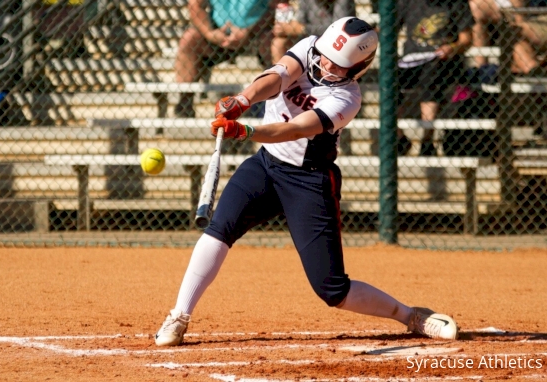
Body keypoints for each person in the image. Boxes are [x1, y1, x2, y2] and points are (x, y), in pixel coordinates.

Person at [154, 17, 459, 347]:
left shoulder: (348, 98)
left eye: (338, 64)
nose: (326, 64)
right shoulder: (310, 45)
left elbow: (297, 129)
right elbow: (277, 76)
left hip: (308, 180)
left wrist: (246, 131)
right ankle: (179, 317)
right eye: (326, 55)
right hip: (266, 166)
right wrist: (243, 100)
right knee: (219, 228)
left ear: (358, 68)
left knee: (332, 290)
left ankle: (410, 315)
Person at [396, 0, 474, 156]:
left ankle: (427, 138)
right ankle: (399, 137)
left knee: (432, 71)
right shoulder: (407, 2)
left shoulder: (457, 3)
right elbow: (388, 29)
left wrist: (451, 47)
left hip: (445, 62)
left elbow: (467, 39)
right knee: (390, 75)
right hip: (413, 59)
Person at [174, 0, 276, 118]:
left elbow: (277, 7)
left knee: (274, 42)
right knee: (190, 38)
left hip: (257, 33)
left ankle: (276, 99)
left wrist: (249, 32)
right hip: (217, 32)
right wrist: (210, 33)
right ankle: (185, 102)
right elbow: (195, 5)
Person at [271, 0, 355, 63]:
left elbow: (340, 30)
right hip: (310, 38)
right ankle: (280, 82)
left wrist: (304, 29)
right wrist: (287, 28)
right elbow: (300, 24)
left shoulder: (342, 1)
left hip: (335, 43)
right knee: (278, 43)